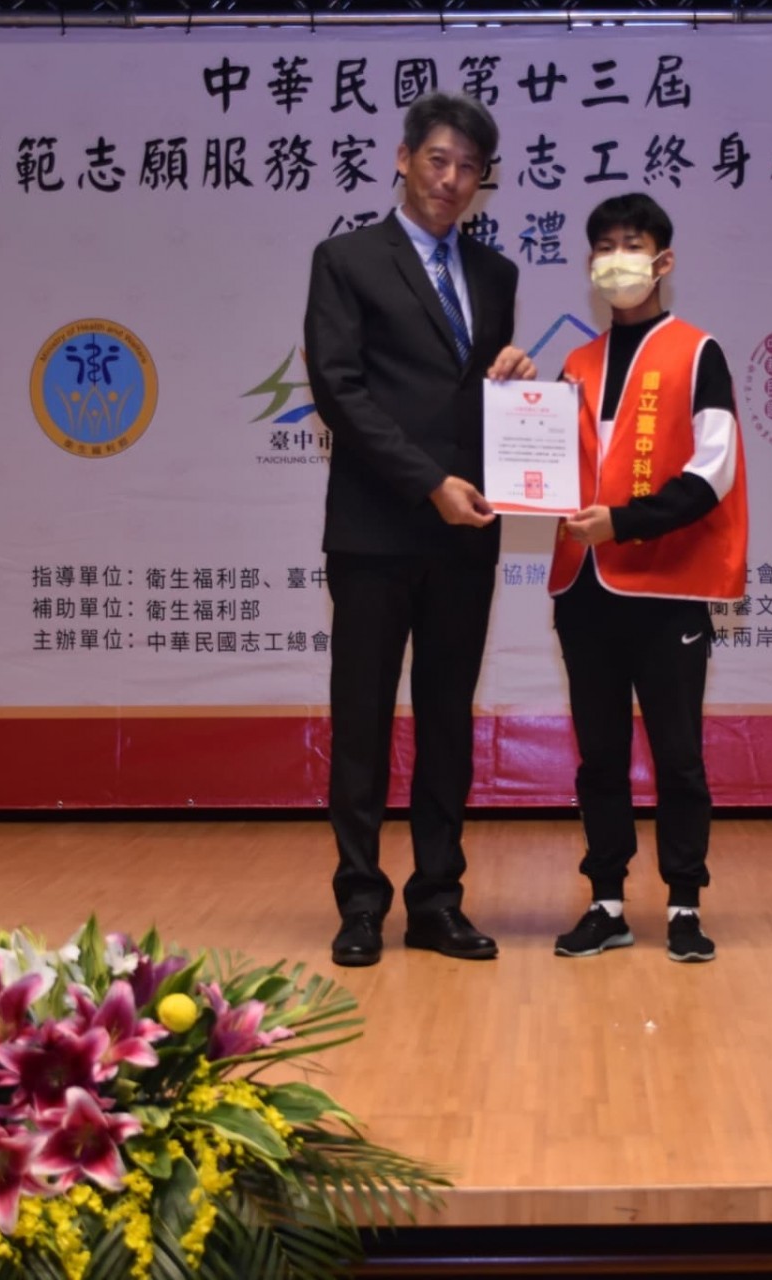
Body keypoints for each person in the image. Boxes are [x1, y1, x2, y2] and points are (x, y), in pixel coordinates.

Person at [303, 92, 536, 968]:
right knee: (362, 722)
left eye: (469, 167)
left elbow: (473, 398)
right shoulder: (346, 260)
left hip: (465, 533)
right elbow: (339, 390)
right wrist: (428, 482)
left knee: (446, 723)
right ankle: (360, 902)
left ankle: (438, 900)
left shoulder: (496, 275)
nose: (451, 179)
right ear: (403, 159)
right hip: (374, 531)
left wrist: (513, 380)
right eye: (438, 160)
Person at [546, 194, 749, 964]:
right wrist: (508, 395)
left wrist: (625, 523)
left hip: (665, 589)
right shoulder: (576, 364)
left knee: (678, 756)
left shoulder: (698, 353)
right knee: (598, 756)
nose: (615, 260)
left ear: (663, 260)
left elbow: (714, 471)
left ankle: (685, 904)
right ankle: (606, 902)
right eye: (603, 247)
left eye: (631, 245)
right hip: (585, 588)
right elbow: (542, 464)